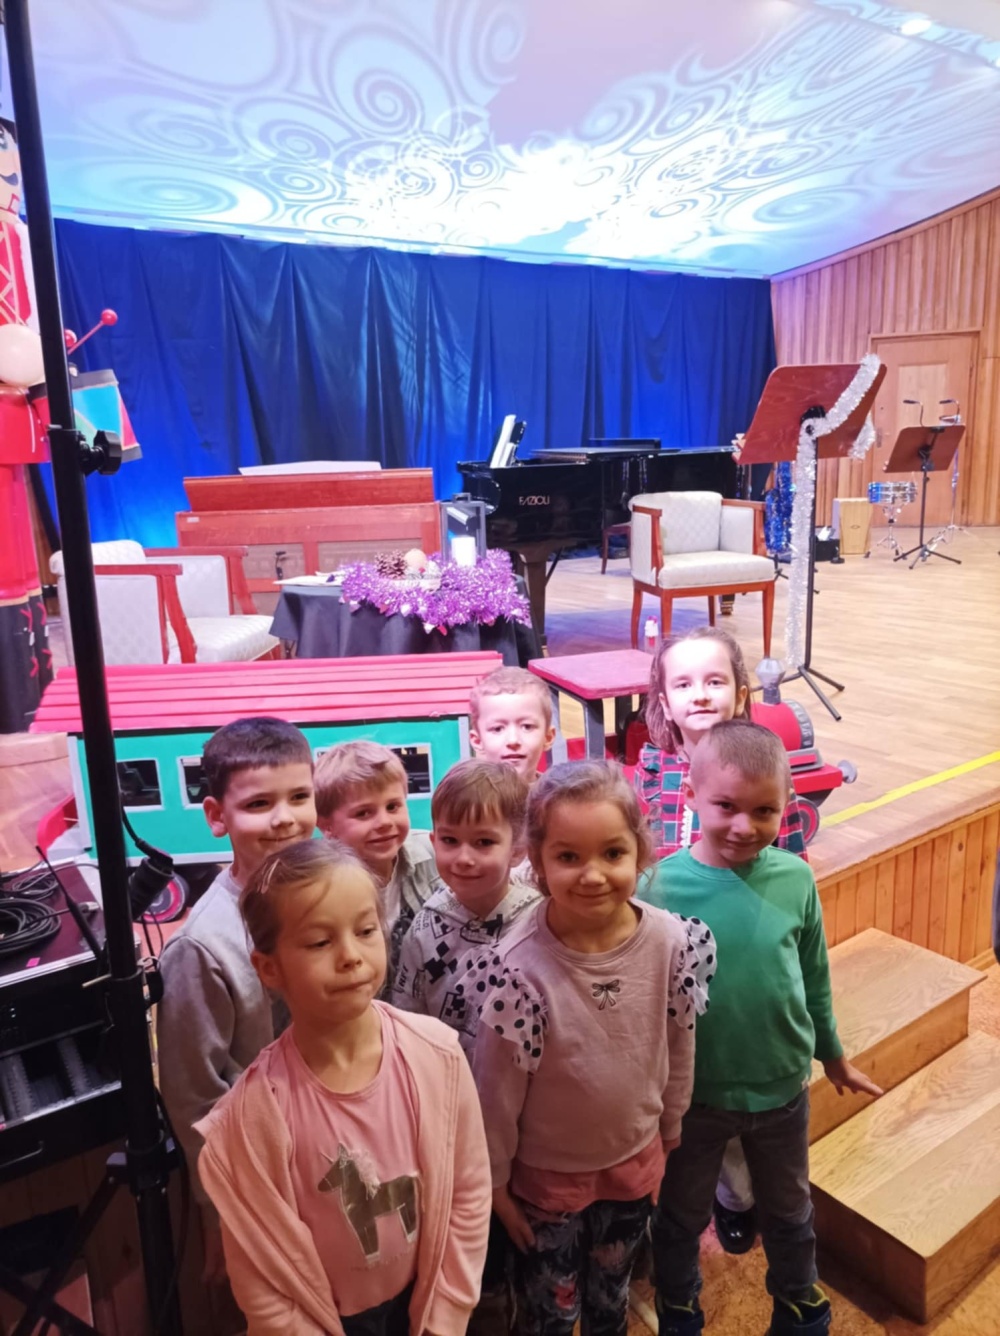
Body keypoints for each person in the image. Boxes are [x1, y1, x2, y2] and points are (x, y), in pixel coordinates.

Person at [194, 839, 492, 1336]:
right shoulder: (252, 1119)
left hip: (423, 1305)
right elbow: (262, 1281)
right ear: (269, 968)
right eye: (319, 942)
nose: (351, 956)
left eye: (366, 931)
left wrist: (446, 1318)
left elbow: (468, 1193)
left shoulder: (438, 1055)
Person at [643, 721, 882, 1336]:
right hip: (694, 1097)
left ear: (787, 806)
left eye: (764, 811)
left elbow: (813, 974)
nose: (744, 826)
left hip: (781, 1090)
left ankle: (799, 1303)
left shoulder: (796, 879)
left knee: (790, 1211)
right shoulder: (657, 887)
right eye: (725, 806)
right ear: (691, 796)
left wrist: (833, 1055)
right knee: (680, 1214)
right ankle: (679, 1305)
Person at [471, 760, 714, 1336]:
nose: (593, 875)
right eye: (568, 856)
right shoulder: (517, 968)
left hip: (635, 1163)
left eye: (612, 853)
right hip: (545, 1182)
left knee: (612, 1297)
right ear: (537, 861)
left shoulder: (671, 942)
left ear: (640, 851)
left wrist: (670, 1130)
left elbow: (680, 1043)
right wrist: (497, 1185)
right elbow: (495, 1094)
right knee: (551, 1314)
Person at [634, 625, 807, 1254]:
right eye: (683, 684)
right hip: (665, 963)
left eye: (714, 681)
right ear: (664, 699)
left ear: (739, 693)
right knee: (679, 1091)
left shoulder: (768, 771)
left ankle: (736, 1196)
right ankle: (668, 1194)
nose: (700, 694)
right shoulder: (649, 774)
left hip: (741, 964)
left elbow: (789, 869)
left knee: (734, 1093)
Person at [157, 715, 317, 1283]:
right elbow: (194, 1094)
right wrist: (218, 1208)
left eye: (299, 796)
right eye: (258, 804)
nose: (285, 818)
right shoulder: (203, 946)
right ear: (216, 816)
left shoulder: (326, 894)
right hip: (266, 1178)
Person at [393, 758, 538, 1332]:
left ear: (518, 846)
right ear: (433, 841)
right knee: (474, 1228)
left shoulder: (539, 920)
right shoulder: (425, 924)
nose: (464, 857)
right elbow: (408, 1015)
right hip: (455, 1107)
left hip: (528, 1108)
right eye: (450, 841)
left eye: (483, 842)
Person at [314, 740, 438, 985]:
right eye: (364, 813)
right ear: (326, 826)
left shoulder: (433, 852)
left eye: (393, 806)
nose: (384, 822)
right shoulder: (319, 888)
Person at [469, 666, 556, 784]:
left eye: (527, 727)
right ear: (478, 741)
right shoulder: (465, 795)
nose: (513, 740)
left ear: (548, 737)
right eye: (498, 729)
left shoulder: (558, 795)